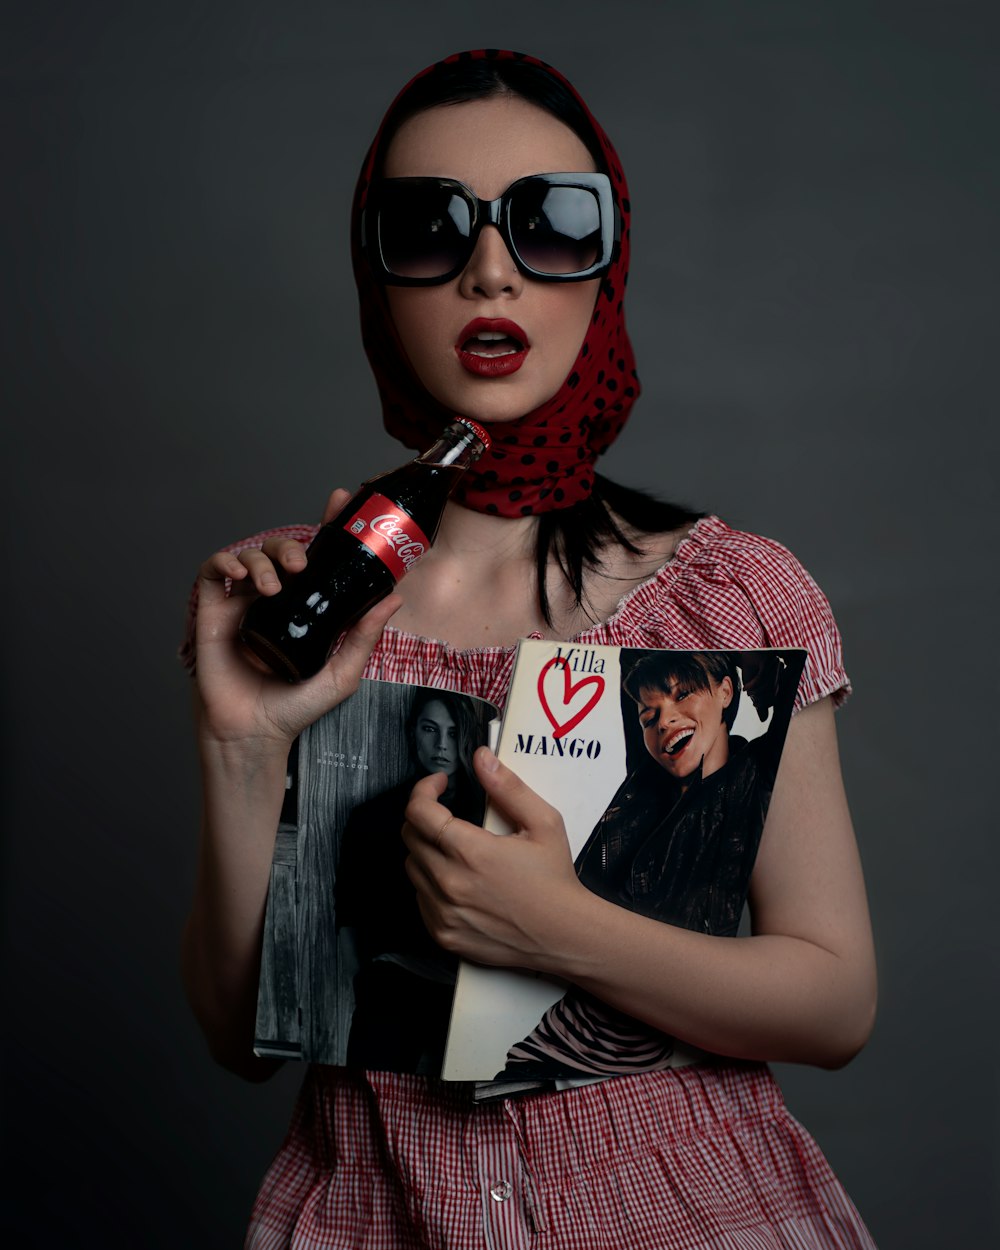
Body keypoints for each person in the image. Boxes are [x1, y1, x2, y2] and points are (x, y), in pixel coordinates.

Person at [182, 49, 878, 1249]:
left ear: (608, 266)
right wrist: (242, 751)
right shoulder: (302, 600)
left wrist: (558, 928)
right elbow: (244, 1041)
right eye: (428, 226)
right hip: (378, 1210)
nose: (490, 269)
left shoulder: (729, 596)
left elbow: (834, 1000)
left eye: (553, 224)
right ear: (375, 275)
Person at [498, 650, 797, 1080]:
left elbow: (786, 693)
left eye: (684, 696)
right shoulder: (643, 785)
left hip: (630, 1061)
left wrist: (766, 672)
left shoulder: (751, 779)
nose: (665, 720)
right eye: (648, 716)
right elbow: (632, 672)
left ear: (727, 691)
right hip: (554, 1039)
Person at [335, 690, 486, 1072]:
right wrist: (365, 982)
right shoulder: (372, 816)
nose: (441, 745)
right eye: (430, 729)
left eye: (453, 734)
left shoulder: (487, 819)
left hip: (472, 992)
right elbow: (349, 911)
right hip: (393, 983)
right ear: (412, 732)